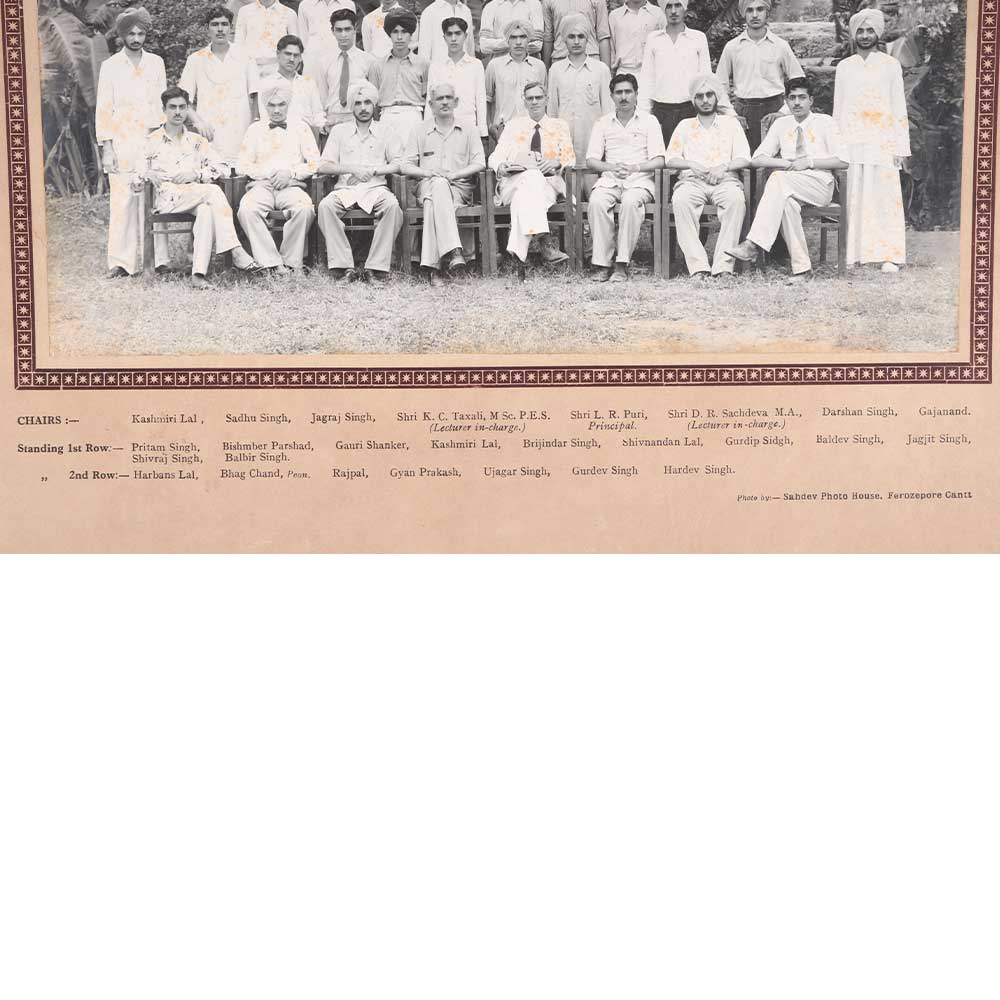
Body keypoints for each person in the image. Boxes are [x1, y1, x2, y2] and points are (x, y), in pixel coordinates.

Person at [727, 76, 849, 281]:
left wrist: (809, 162)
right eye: (792, 98)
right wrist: (785, 163)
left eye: (802, 97)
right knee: (787, 204)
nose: (797, 103)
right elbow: (757, 158)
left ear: (811, 100)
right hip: (788, 184)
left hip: (819, 184)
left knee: (777, 180)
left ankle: (752, 244)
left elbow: (843, 161)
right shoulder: (781, 124)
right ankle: (802, 269)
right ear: (786, 101)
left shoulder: (825, 123)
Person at [141, 87, 259, 288]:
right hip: (168, 198)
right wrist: (147, 173)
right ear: (164, 110)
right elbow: (135, 170)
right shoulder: (152, 140)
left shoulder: (197, 141)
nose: (178, 112)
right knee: (213, 191)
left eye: (182, 107)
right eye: (172, 107)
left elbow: (222, 167)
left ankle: (198, 274)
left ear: (187, 109)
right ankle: (235, 250)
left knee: (205, 210)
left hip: (195, 195)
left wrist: (196, 174)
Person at [833, 8, 910, 272]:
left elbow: (898, 107)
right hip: (852, 141)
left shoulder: (890, 65)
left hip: (883, 142)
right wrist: (837, 147)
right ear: (853, 35)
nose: (865, 36)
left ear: (878, 33)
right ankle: (854, 254)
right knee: (855, 197)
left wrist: (900, 146)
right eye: (860, 31)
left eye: (870, 31)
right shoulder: (844, 67)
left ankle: (890, 255)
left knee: (885, 197)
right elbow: (838, 110)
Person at [95, 6, 167, 278]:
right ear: (122, 35)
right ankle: (121, 262)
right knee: (122, 200)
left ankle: (159, 259)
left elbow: (162, 104)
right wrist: (107, 148)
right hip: (122, 140)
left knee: (154, 197)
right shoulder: (111, 66)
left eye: (141, 34)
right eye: (131, 34)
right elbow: (104, 109)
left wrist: (162, 142)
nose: (136, 39)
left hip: (150, 140)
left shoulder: (156, 63)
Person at [665, 73, 750, 279]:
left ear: (716, 97)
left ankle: (723, 266)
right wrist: (691, 164)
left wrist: (724, 167)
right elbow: (670, 159)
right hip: (692, 182)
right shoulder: (685, 126)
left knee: (736, 200)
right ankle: (698, 267)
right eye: (700, 96)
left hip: (725, 181)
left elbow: (745, 158)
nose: (705, 100)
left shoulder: (731, 124)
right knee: (681, 200)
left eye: (709, 95)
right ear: (693, 100)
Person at [401, 80, 486, 284]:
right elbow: (405, 165)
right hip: (427, 185)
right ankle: (455, 252)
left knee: (432, 202)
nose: (445, 102)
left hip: (459, 189)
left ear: (456, 102)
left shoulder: (469, 129)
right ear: (431, 105)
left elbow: (480, 163)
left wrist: (455, 175)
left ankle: (433, 268)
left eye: (449, 98)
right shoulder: (419, 130)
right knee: (437, 186)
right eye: (440, 98)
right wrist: (428, 172)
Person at [317, 81, 404, 281]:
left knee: (393, 208)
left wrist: (374, 170)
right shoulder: (339, 131)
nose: (363, 108)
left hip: (376, 189)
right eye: (357, 103)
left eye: (367, 102)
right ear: (351, 106)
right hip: (346, 189)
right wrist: (351, 168)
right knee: (325, 207)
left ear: (374, 105)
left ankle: (375, 268)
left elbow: (399, 164)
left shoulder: (386, 130)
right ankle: (345, 267)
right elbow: (323, 166)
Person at [488, 80, 573, 277]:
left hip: (547, 186)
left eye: (538, 97)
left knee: (527, 190)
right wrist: (500, 166)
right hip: (513, 184)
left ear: (546, 100)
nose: (534, 102)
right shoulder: (513, 126)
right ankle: (545, 242)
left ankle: (518, 255)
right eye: (530, 98)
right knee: (532, 176)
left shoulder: (559, 126)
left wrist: (556, 162)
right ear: (524, 101)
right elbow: (496, 156)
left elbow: (570, 156)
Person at [585, 72, 665, 281]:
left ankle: (621, 263)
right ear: (611, 96)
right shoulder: (602, 123)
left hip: (640, 181)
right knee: (596, 202)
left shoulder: (650, 121)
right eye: (618, 92)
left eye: (628, 92)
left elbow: (659, 159)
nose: (623, 97)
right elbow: (591, 160)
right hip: (610, 180)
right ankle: (602, 263)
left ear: (636, 94)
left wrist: (634, 168)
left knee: (630, 202)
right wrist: (611, 167)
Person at [236, 79, 320, 274]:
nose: (276, 110)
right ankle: (272, 263)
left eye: (281, 104)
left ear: (288, 104)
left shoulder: (301, 127)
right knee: (246, 210)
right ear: (265, 106)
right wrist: (268, 173)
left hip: (291, 185)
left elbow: (315, 162)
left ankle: (290, 261)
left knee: (305, 209)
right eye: (271, 105)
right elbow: (241, 165)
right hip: (262, 185)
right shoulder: (255, 130)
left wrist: (290, 173)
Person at [639, 0, 733, 147]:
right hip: (662, 111)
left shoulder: (698, 38)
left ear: (685, 8)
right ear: (663, 9)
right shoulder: (653, 39)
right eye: (669, 6)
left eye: (678, 5)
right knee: (665, 156)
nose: (673, 11)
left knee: (693, 153)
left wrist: (729, 112)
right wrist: (644, 117)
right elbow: (647, 79)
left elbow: (706, 78)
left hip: (690, 110)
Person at [180, 6, 259, 170]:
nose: (220, 29)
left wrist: (254, 128)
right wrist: (199, 122)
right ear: (207, 28)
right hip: (209, 134)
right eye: (215, 24)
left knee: (242, 176)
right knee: (211, 174)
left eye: (224, 24)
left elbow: (255, 95)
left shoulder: (246, 56)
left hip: (241, 131)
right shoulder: (196, 59)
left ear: (231, 28)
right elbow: (183, 100)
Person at [715, 0, 803, 148]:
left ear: (767, 12)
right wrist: (731, 115)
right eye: (750, 10)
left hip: (774, 109)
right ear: (743, 14)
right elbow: (719, 85)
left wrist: (783, 112)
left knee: (777, 157)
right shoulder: (732, 47)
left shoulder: (780, 45)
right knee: (744, 157)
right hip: (743, 112)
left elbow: (798, 80)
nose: (755, 15)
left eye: (760, 9)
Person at [547, 14, 612, 169]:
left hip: (593, 142)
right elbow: (552, 111)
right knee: (567, 181)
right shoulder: (556, 70)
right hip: (564, 143)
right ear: (564, 40)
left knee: (592, 181)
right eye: (571, 37)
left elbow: (608, 111)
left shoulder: (601, 69)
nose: (576, 41)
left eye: (581, 36)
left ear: (587, 39)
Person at [366, 10, 429, 140]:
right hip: (386, 116)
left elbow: (429, 100)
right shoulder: (377, 66)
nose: (399, 37)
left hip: (414, 116)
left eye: (404, 32)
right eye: (395, 32)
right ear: (389, 34)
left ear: (411, 34)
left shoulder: (423, 65)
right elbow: (372, 102)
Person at [425, 18, 488, 141]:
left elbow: (480, 99)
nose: (453, 39)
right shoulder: (436, 66)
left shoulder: (476, 65)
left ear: (465, 36)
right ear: (444, 38)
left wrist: (482, 133)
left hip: (468, 128)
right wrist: (427, 130)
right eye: (449, 34)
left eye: (458, 33)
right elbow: (430, 99)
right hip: (441, 129)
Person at [485, 20, 547, 142]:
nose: (518, 42)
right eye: (513, 37)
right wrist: (490, 126)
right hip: (504, 130)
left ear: (528, 39)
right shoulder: (494, 66)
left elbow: (544, 100)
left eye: (522, 37)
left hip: (531, 129)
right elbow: (487, 99)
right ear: (507, 40)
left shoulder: (539, 66)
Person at [259, 35, 327, 143]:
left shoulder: (308, 83)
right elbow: (265, 117)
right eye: (288, 54)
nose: (292, 59)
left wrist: (325, 126)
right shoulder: (266, 83)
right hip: (278, 140)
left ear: (300, 58)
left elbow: (317, 114)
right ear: (278, 54)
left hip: (306, 140)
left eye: (296, 55)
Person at [320, 10, 375, 127]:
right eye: (339, 30)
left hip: (358, 118)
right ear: (333, 31)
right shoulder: (324, 61)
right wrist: (323, 122)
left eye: (347, 29)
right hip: (333, 118)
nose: (343, 35)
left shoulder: (368, 60)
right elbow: (322, 95)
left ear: (355, 29)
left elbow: (373, 96)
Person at [235, 0, 299, 77]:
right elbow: (238, 44)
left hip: (278, 69)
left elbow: (295, 47)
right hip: (250, 68)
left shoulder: (289, 13)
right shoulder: (245, 11)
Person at [541, 0, 610, 68]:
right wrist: (546, 69)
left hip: (591, 59)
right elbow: (548, 38)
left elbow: (603, 36)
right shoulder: (548, 1)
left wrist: (606, 70)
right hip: (560, 58)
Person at [298, 0, 356, 77]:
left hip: (339, 60)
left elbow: (351, 39)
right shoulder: (305, 5)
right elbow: (302, 38)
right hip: (313, 61)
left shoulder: (348, 4)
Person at [608, 0, 664, 77]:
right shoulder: (614, 16)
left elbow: (664, 45)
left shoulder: (658, 13)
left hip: (651, 72)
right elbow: (611, 49)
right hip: (623, 72)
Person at [419, 0, 475, 64]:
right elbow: (424, 54)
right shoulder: (429, 12)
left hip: (465, 67)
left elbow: (470, 47)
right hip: (439, 68)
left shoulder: (466, 11)